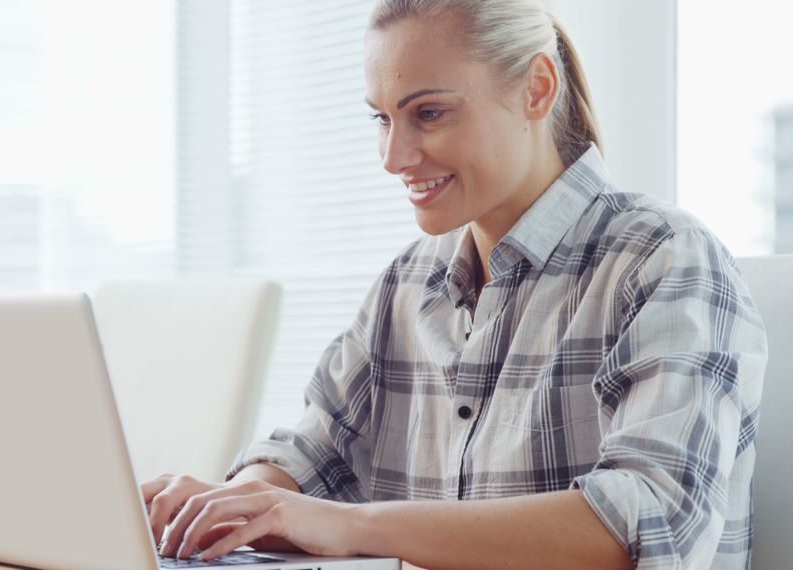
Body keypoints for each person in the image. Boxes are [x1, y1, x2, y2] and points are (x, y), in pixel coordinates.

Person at [140, 0, 767, 568]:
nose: (393, 157)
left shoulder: (662, 257)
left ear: (537, 89)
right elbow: (313, 457)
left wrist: (354, 525)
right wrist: (232, 504)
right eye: (382, 119)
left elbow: (644, 521)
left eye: (429, 113)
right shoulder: (407, 283)